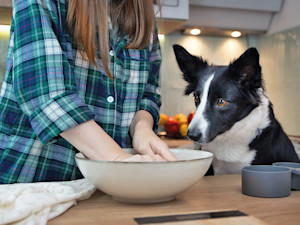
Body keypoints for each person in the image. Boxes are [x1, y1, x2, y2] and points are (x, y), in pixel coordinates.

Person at [0, 0, 176, 184]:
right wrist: (117, 160)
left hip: (107, 185)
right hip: (32, 179)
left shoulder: (142, 15)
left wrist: (142, 128)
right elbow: (46, 93)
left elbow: (149, 92)